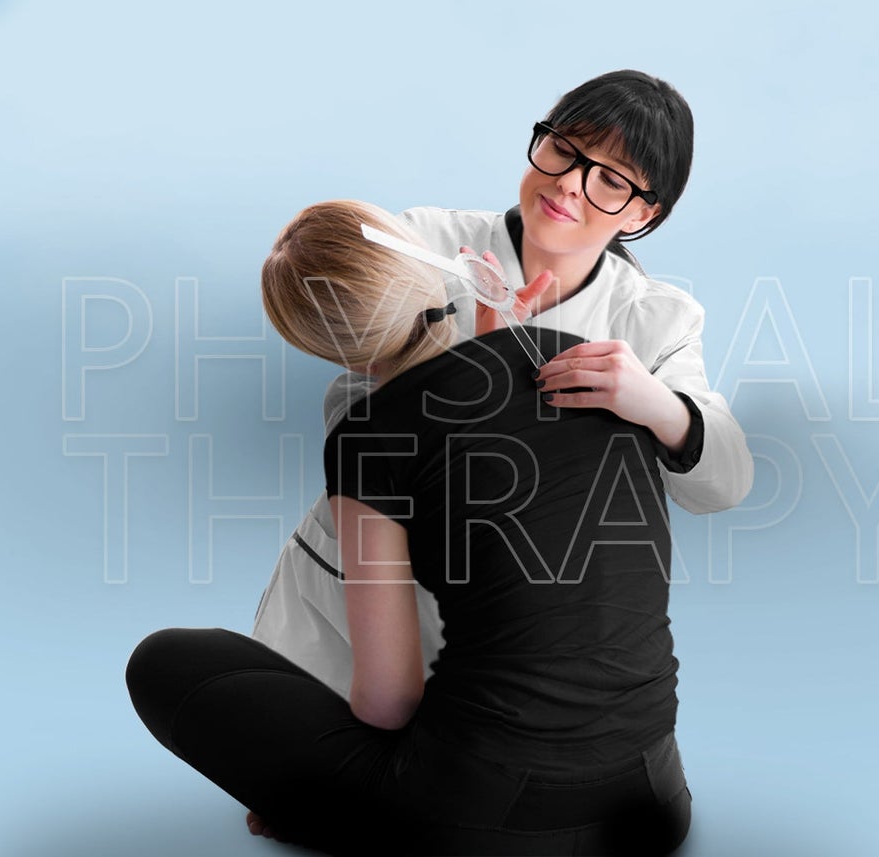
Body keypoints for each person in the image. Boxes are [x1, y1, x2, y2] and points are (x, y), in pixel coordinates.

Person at [127, 200, 692, 855]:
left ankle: (350, 818)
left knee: (165, 661)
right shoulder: (582, 360)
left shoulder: (368, 437)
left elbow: (388, 703)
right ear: (423, 268)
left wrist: (302, 779)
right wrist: (494, 345)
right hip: (654, 805)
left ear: (323, 346)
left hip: (489, 823)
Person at [250, 69, 752, 705]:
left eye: (611, 179)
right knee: (288, 768)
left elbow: (725, 483)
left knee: (432, 768)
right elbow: (349, 411)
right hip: (351, 579)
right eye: (564, 148)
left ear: (642, 213)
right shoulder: (426, 240)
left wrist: (653, 404)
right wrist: (469, 365)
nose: (571, 182)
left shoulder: (656, 320)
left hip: (504, 597)